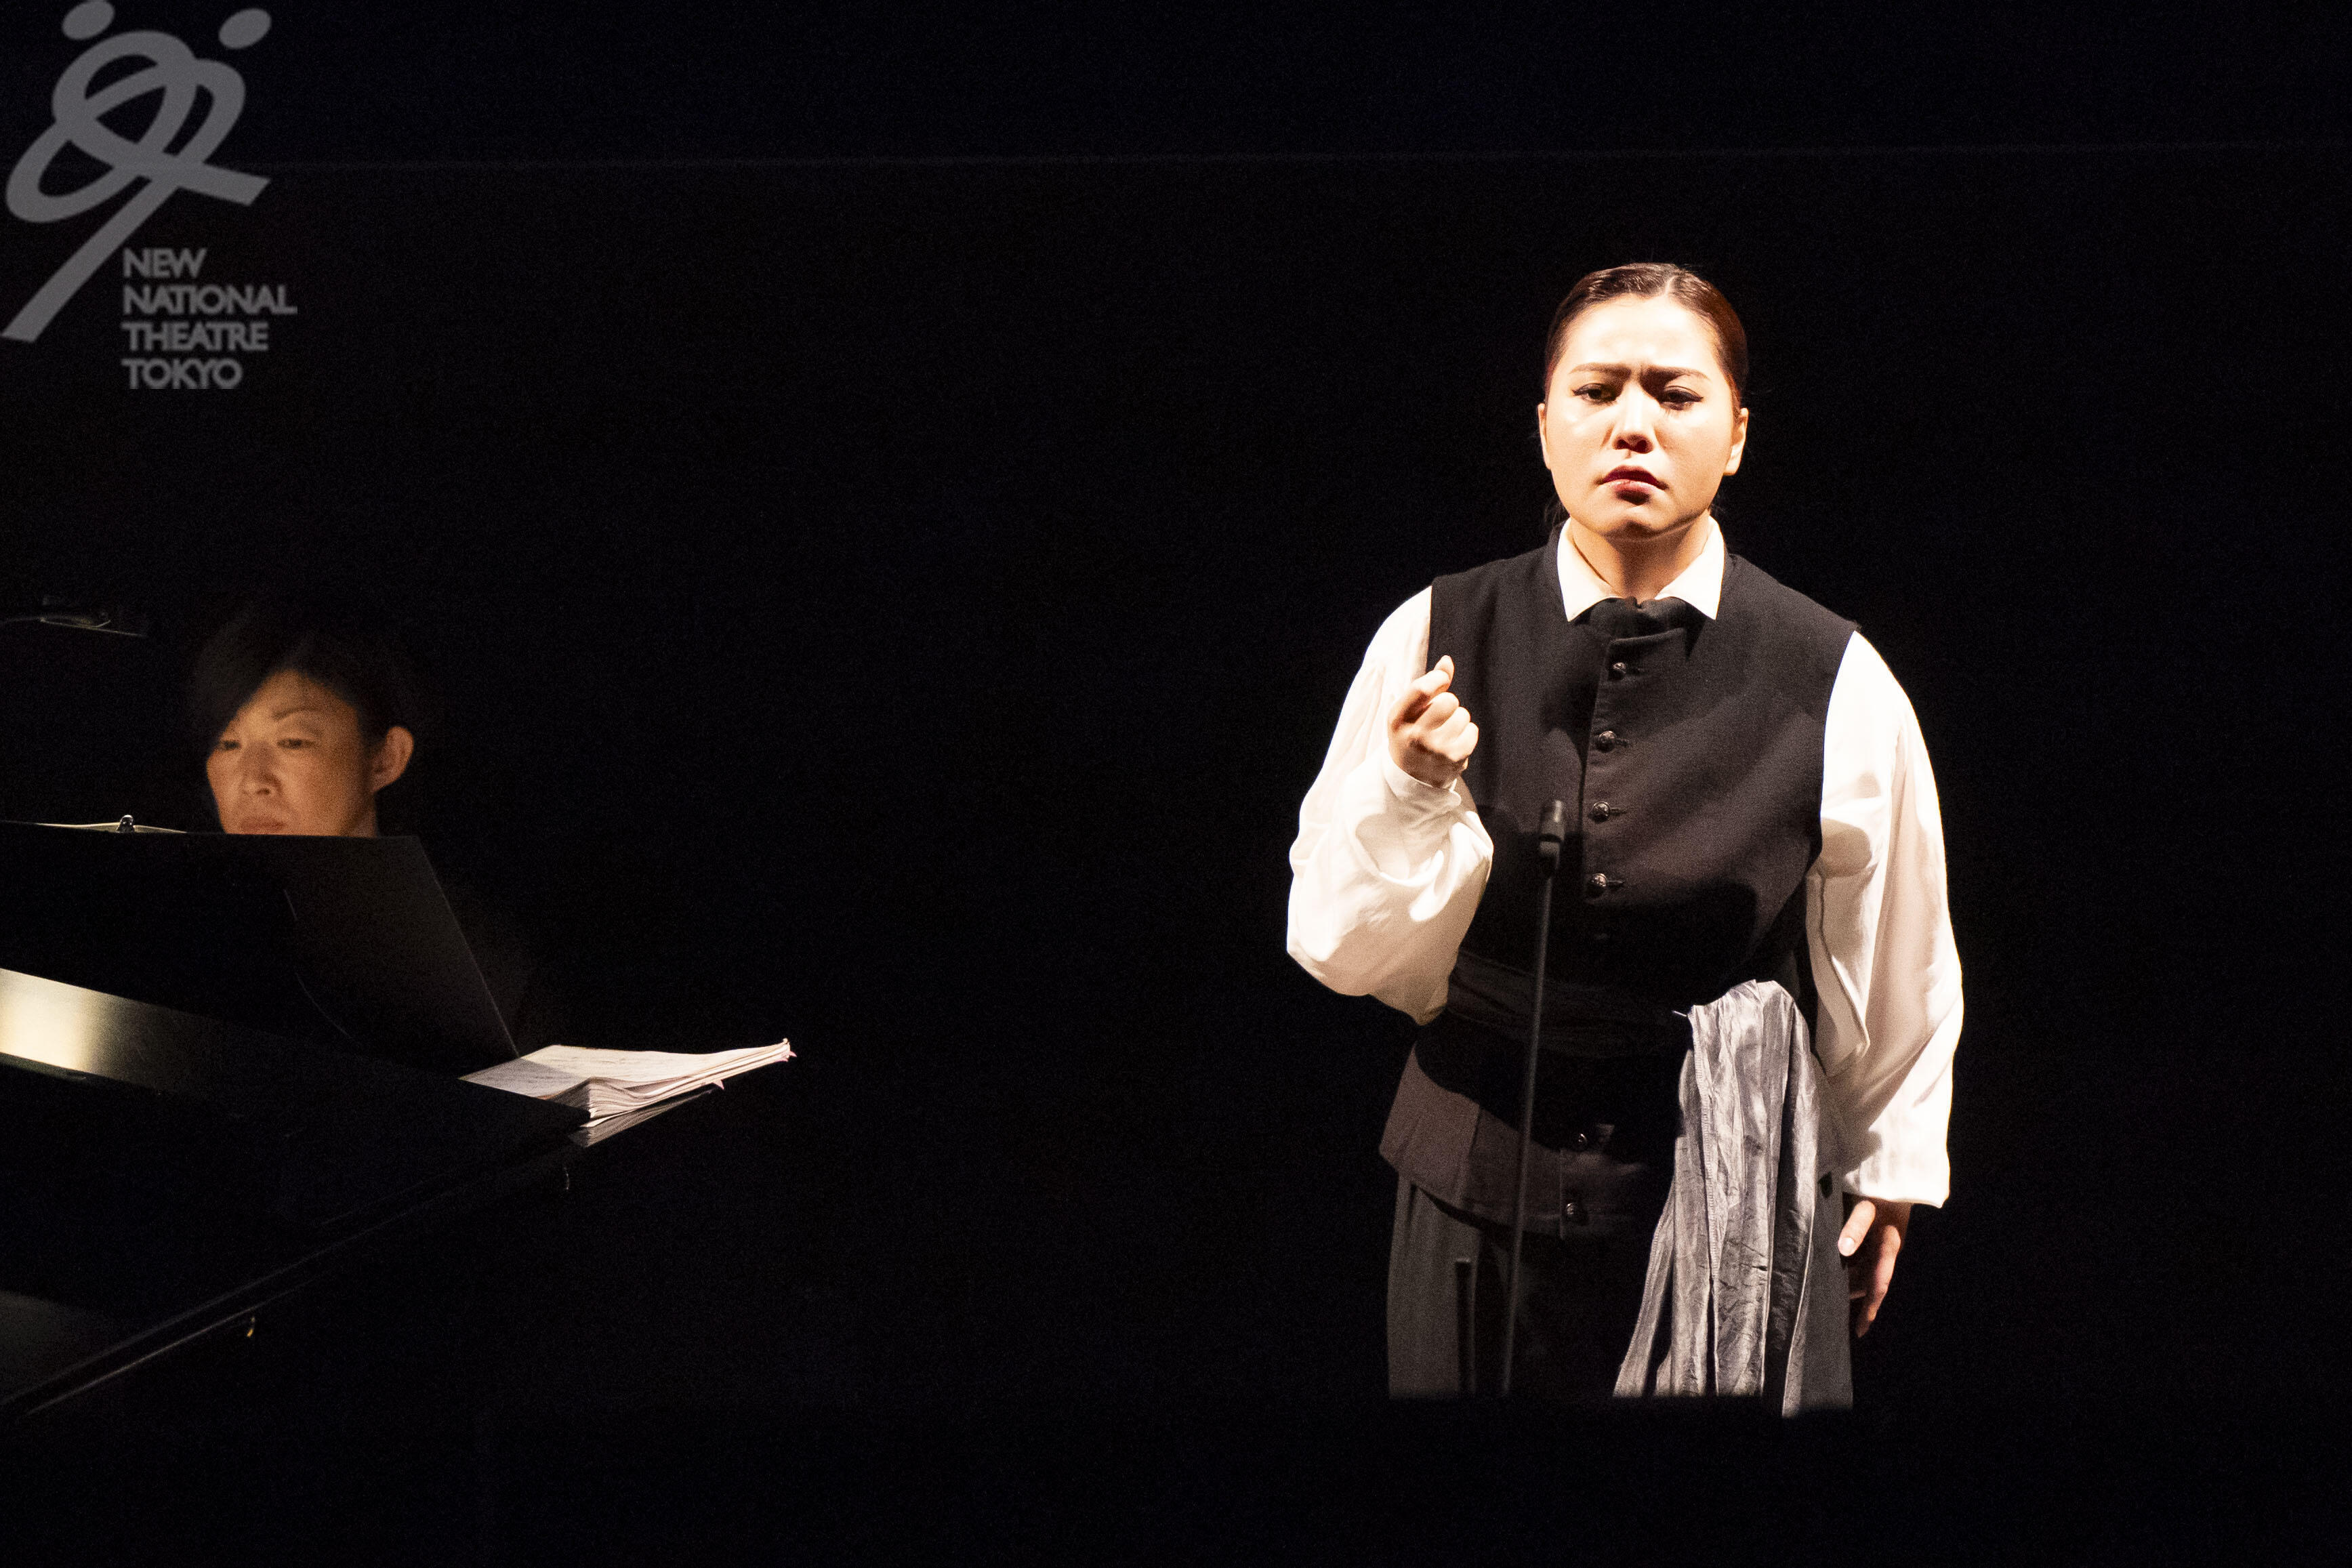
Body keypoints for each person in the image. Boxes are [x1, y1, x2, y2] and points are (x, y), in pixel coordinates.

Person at [1286, 264, 1962, 1401]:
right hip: (1471, 1188)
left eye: (1675, 393)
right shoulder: (1434, 629)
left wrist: (1888, 1163)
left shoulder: (1833, 671)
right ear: (1545, 426)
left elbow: (1891, 942)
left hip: (1723, 1184)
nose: (1632, 425)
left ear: (1735, 434)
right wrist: (1404, 786)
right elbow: (1342, 947)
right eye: (1596, 392)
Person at [188, 597, 551, 1044]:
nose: (253, 781)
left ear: (385, 758)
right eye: (227, 744)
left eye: (293, 741)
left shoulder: (476, 957)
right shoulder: (189, 932)